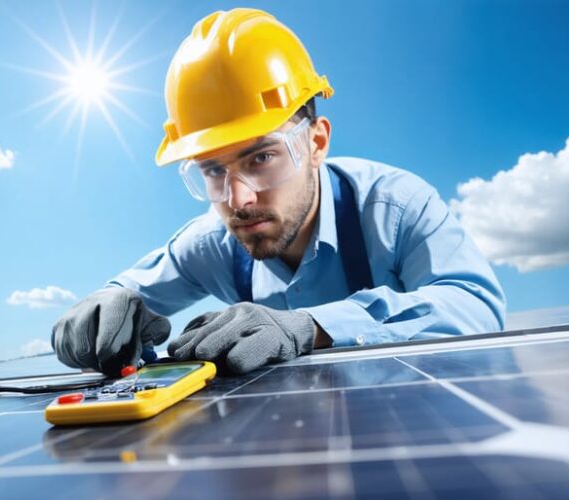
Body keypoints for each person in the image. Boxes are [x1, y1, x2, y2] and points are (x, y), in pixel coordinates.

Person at [51, 8, 506, 376]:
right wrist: (95, 316)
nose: (239, 200)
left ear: (316, 143)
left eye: (260, 158)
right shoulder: (214, 243)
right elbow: (123, 296)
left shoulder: (394, 207)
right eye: (212, 170)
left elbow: (476, 307)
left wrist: (314, 327)